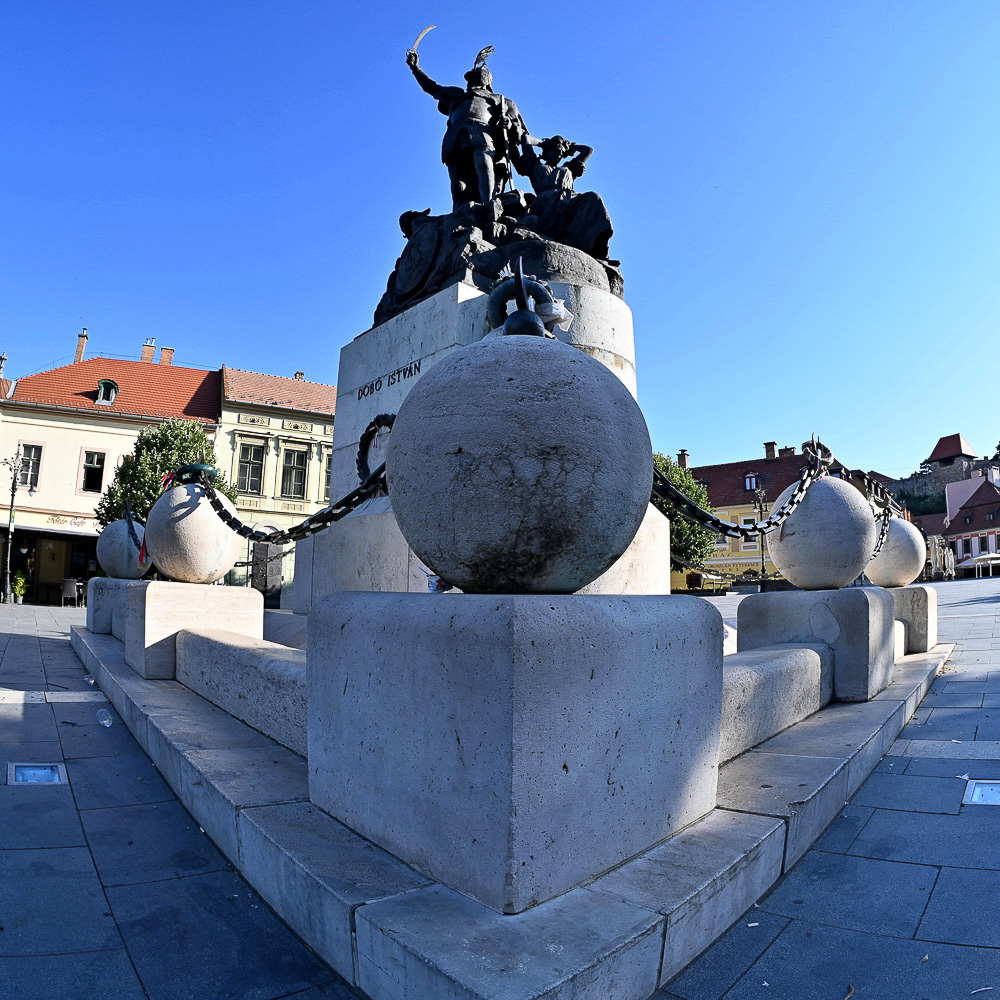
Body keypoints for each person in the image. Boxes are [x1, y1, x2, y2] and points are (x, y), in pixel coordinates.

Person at [406, 48, 528, 216]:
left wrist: (509, 124)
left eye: (476, 77)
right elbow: (432, 88)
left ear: (486, 80)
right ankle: (459, 215)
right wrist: (415, 68)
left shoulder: (502, 101)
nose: (471, 80)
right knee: (458, 183)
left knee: (483, 162)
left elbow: (519, 129)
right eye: (470, 78)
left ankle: (489, 205)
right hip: (456, 136)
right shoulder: (456, 96)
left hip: (483, 132)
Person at [513, 135, 614, 260]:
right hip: (545, 202)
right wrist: (543, 143)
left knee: (594, 197)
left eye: (561, 153)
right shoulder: (535, 165)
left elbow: (588, 150)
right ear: (547, 151)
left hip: (569, 199)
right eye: (556, 150)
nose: (559, 155)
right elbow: (526, 139)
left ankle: (600, 248)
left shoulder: (569, 169)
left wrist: (570, 146)